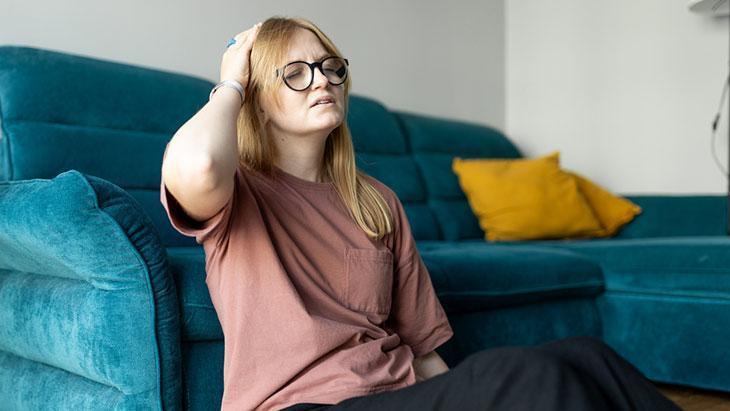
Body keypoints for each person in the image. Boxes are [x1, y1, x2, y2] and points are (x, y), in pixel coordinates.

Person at [159, 16, 681, 411]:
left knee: (587, 356)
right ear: (257, 98)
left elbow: (422, 349)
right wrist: (231, 82)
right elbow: (199, 164)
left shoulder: (376, 202)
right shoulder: (237, 192)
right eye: (295, 73)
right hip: (306, 405)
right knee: (525, 373)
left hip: (397, 394)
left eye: (330, 67)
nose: (322, 81)